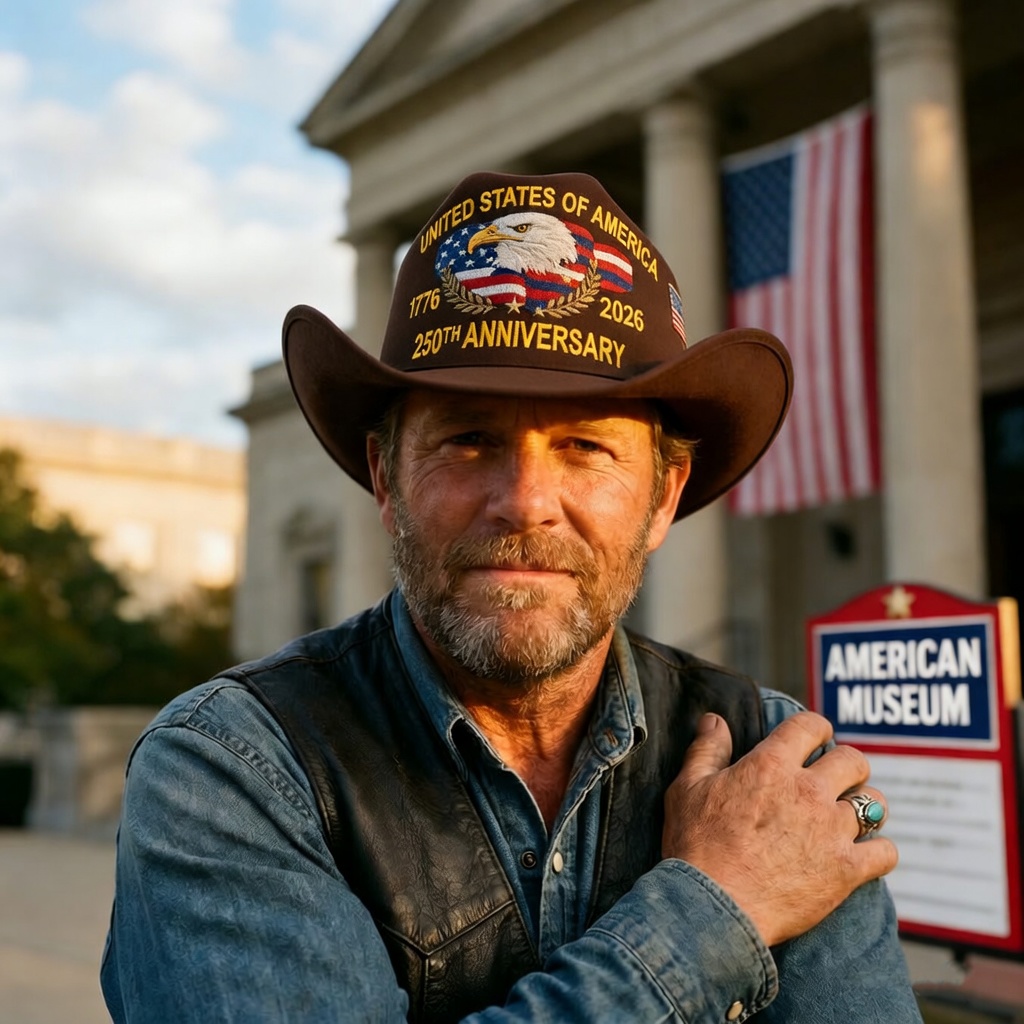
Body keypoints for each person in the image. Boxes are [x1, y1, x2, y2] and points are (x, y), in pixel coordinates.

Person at [101, 171, 922, 1023]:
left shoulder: (772, 763)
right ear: (386, 478)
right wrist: (719, 906)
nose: (525, 500)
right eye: (468, 439)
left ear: (664, 496)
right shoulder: (232, 769)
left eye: (585, 446)